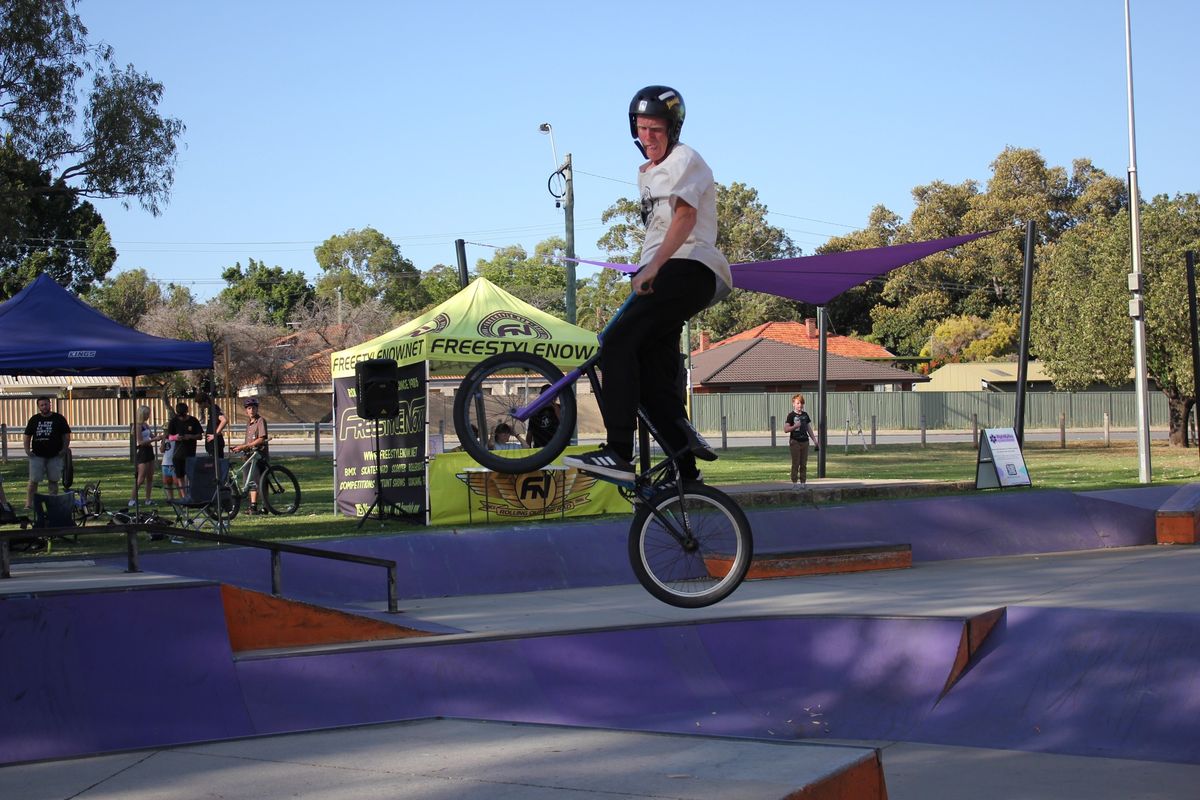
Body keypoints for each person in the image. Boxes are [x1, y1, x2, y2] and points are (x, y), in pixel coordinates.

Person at [564, 86, 731, 483]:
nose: (649, 137)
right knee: (654, 375)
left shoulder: (686, 158)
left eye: (657, 129)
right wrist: (647, 267)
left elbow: (685, 219)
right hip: (665, 272)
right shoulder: (646, 174)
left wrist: (653, 266)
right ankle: (686, 471)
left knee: (616, 343)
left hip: (688, 266)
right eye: (642, 129)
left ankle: (619, 451)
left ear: (673, 129)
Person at [23, 396, 71, 509]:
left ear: (50, 404)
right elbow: (27, 436)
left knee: (53, 480)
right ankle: (29, 504)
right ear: (39, 407)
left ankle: (53, 503)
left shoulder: (59, 418)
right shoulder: (34, 419)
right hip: (37, 455)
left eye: (46, 404)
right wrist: (27, 450)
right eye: (42, 405)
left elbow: (66, 436)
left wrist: (64, 449)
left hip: (55, 455)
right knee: (33, 481)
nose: (45, 407)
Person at [230, 397, 269, 513]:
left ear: (257, 409)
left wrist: (245, 447)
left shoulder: (261, 421)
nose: (251, 410)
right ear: (246, 410)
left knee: (260, 481)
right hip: (248, 456)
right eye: (249, 408)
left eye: (254, 408)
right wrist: (239, 447)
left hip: (259, 455)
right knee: (250, 482)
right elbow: (248, 442)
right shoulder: (249, 423)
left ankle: (266, 506)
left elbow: (261, 439)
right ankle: (253, 506)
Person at [166, 402, 203, 496]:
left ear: (187, 412)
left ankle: (192, 494)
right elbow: (169, 437)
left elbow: (200, 436)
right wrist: (176, 437)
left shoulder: (193, 420)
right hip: (178, 454)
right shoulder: (174, 421)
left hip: (190, 453)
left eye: (183, 416)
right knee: (180, 476)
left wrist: (190, 436)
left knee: (191, 475)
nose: (182, 418)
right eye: (180, 416)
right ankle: (184, 496)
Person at [130, 405, 163, 506]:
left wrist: (160, 436)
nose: (148, 416)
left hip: (149, 450)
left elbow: (151, 436)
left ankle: (148, 499)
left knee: (150, 477)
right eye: (147, 414)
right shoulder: (137, 426)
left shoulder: (146, 425)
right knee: (141, 478)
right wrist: (154, 440)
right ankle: (132, 500)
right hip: (143, 452)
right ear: (142, 414)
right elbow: (140, 442)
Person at [784, 393, 819, 488]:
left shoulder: (805, 415)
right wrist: (795, 426)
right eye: (798, 403)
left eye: (801, 403)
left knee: (803, 463)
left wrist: (815, 440)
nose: (800, 405)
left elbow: (808, 428)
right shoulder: (791, 415)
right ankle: (794, 483)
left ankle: (803, 482)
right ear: (793, 404)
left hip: (805, 441)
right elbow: (786, 429)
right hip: (795, 441)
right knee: (796, 463)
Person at [196, 392, 228, 460]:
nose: (199, 406)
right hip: (212, 444)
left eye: (200, 403)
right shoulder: (210, 409)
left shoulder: (213, 409)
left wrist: (215, 434)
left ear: (206, 401)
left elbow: (224, 420)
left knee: (217, 466)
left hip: (215, 444)